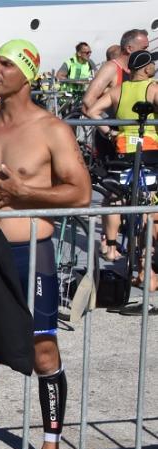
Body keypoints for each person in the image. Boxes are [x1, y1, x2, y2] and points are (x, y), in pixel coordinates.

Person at [0, 39, 92, 449]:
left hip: (31, 252)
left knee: (43, 351)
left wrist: (26, 193)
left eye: (6, 63)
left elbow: (80, 193)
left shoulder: (51, 129)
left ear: (27, 74)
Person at [86, 49, 158, 288]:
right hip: (150, 153)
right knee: (149, 207)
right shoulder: (153, 88)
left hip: (123, 150)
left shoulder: (119, 90)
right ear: (146, 68)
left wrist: (110, 132)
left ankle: (112, 247)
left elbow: (91, 111)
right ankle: (147, 271)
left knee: (117, 199)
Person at [82, 29, 148, 113]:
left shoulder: (136, 69)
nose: (147, 52)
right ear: (129, 49)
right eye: (144, 48)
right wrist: (107, 121)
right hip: (114, 120)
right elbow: (88, 100)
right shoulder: (111, 68)